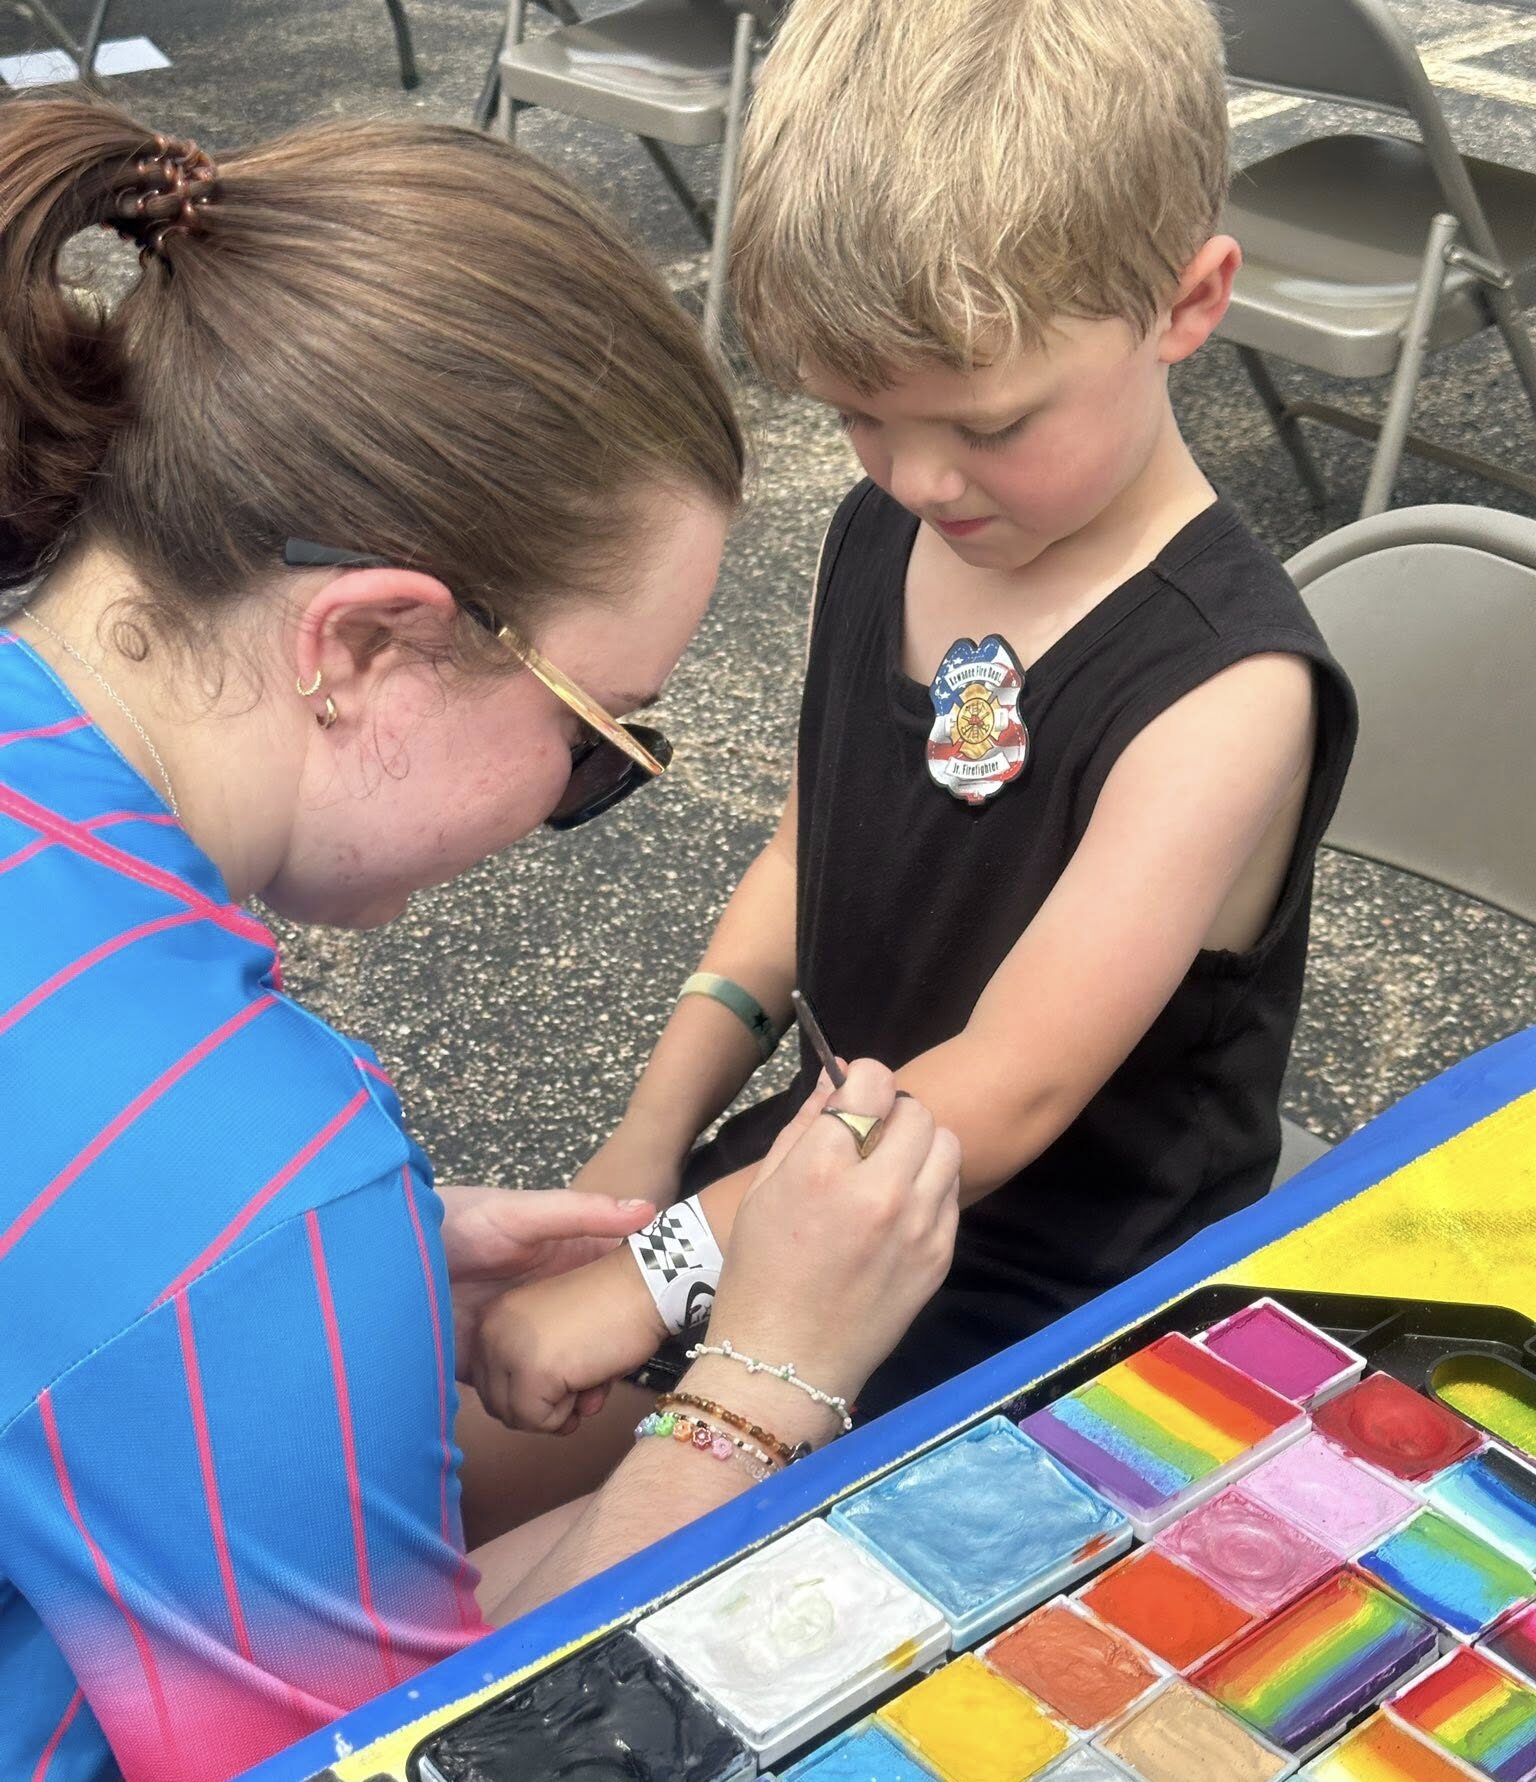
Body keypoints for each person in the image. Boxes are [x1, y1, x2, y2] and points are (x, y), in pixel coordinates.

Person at [0, 99, 960, 1782]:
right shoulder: (244, 1188)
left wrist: (337, 1280)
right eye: (606, 735)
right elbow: (428, 1761)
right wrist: (767, 1381)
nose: (575, 799)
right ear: (366, 643)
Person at [470, 0, 1357, 1430]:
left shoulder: (1226, 691)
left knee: (573, 1593)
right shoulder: (884, 537)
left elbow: (1010, 1085)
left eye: (992, 424)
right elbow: (799, 863)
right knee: (445, 1460)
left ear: (1190, 303)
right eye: (860, 416)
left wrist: (663, 1271)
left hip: (1054, 1289)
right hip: (823, 1176)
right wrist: (646, 1150)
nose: (921, 479)